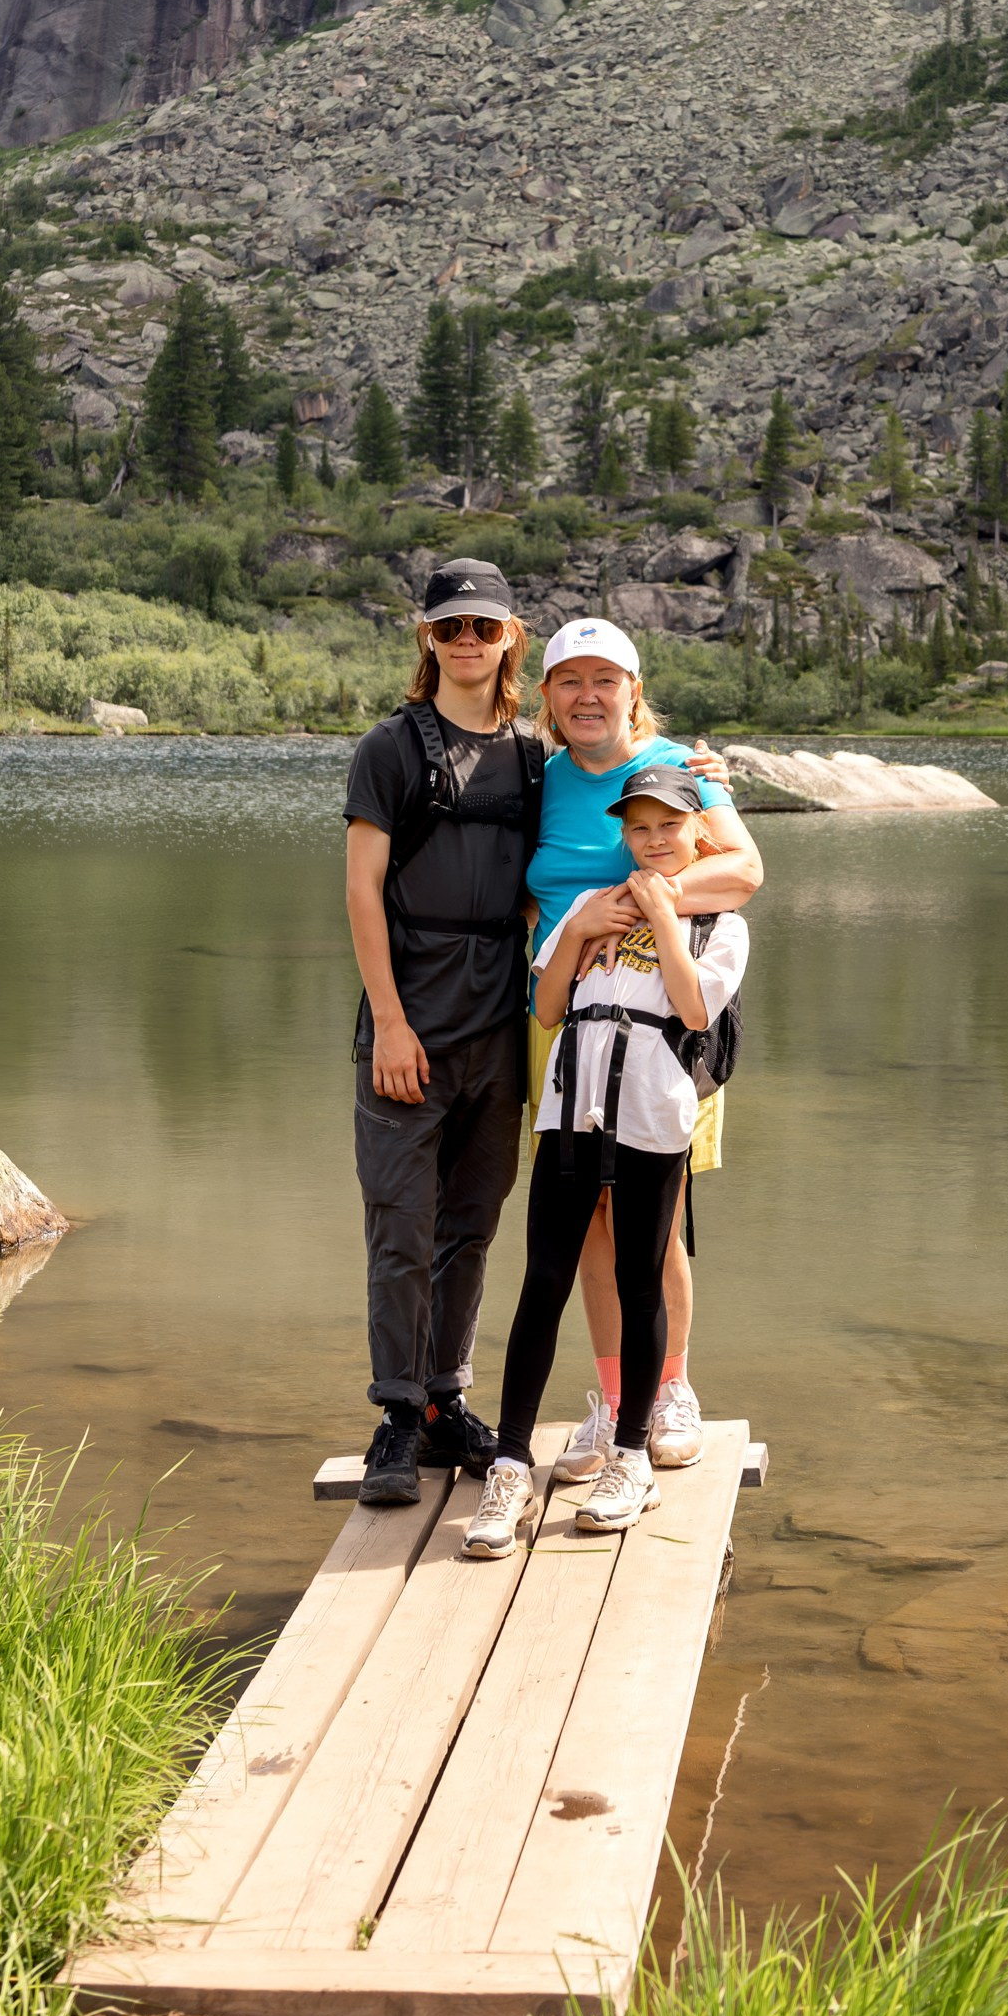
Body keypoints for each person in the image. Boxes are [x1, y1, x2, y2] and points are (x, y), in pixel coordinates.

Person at [463, 765, 749, 1553]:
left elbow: (694, 1009)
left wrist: (661, 915)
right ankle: (512, 1464)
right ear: (623, 835)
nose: (654, 840)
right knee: (543, 1281)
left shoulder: (718, 924)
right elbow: (549, 1007)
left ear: (699, 834)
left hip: (654, 1119)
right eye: (639, 827)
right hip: (569, 1115)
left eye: (669, 826)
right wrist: (586, 929)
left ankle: (632, 1458)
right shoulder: (588, 909)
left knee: (638, 1276)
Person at [525, 618, 762, 1481]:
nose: (588, 695)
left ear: (634, 687)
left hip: (665, 1022)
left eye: (606, 679)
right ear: (546, 696)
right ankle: (610, 1396)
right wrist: (571, 930)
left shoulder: (680, 770)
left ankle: (669, 1391)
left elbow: (740, 873)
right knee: (586, 1216)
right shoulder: (538, 778)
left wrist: (618, 906)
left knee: (654, 1222)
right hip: (563, 1022)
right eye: (569, 680)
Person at [343, 558, 544, 1505]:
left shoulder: (536, 757)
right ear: (427, 637)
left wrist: (699, 777)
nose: (468, 641)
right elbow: (360, 892)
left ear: (512, 636)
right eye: (450, 627)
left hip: (499, 1033)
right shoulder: (390, 750)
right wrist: (388, 1020)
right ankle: (393, 1417)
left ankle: (443, 1403)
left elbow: (629, 804)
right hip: (409, 1030)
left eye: (484, 627)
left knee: (471, 1226)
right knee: (401, 1232)